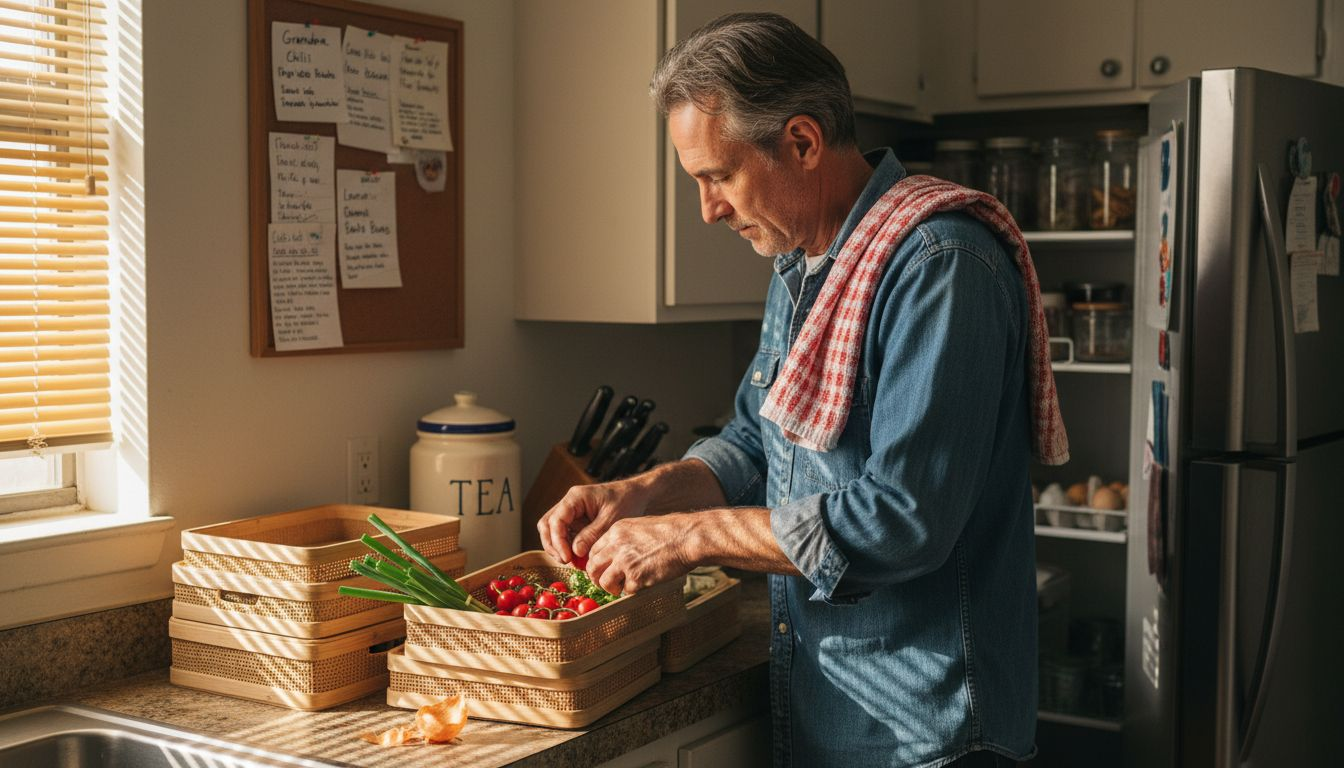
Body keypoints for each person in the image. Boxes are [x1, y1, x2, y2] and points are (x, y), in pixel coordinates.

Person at [538, 12, 1068, 768]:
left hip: (929, 731)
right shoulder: (805, 265)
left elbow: (905, 517)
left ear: (803, 142)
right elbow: (759, 438)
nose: (708, 208)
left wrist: (691, 537)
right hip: (830, 702)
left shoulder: (940, 265)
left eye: (717, 176)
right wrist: (651, 492)